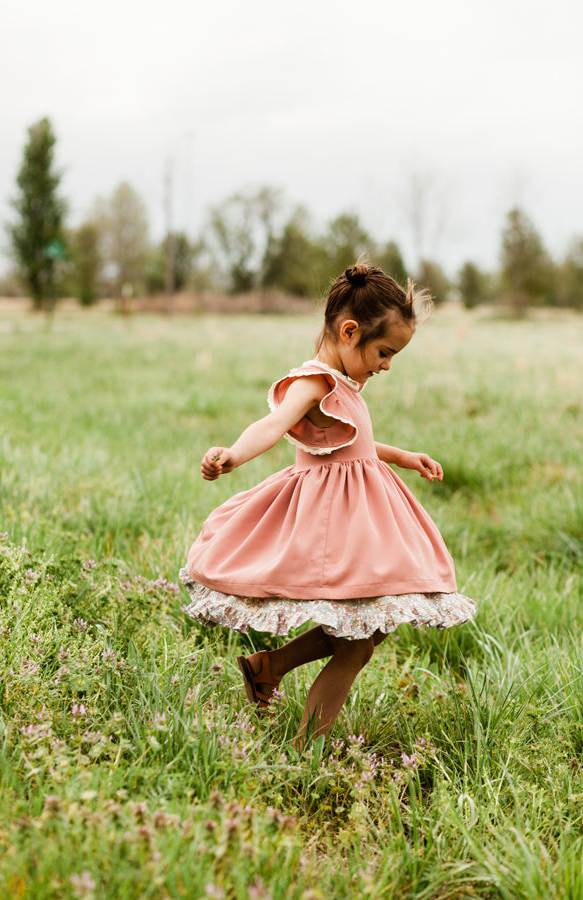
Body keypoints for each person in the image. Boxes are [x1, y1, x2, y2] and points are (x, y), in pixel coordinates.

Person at [180, 263, 476, 746]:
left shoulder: (342, 383)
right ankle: (303, 750)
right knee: (357, 646)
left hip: (361, 522)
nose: (386, 366)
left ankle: (268, 667)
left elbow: (351, 443)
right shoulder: (313, 382)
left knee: (372, 629)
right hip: (333, 528)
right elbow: (271, 426)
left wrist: (402, 456)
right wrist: (232, 454)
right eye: (384, 353)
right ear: (349, 331)